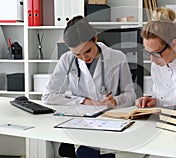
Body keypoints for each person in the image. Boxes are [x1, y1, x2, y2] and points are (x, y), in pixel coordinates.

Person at [42, 15, 136, 158]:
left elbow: (131, 95)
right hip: (82, 123)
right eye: (77, 54)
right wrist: (83, 101)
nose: (84, 58)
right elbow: (48, 96)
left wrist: (116, 100)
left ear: (95, 39)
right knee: (86, 152)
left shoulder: (118, 57)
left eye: (87, 51)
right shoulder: (67, 59)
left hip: (111, 122)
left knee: (106, 153)